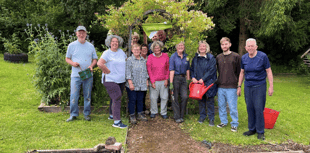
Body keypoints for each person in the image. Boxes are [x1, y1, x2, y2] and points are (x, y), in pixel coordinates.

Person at [237, 38, 274, 140]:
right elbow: (242, 72)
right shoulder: (244, 58)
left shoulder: (262, 57)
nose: (250, 48)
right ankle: (252, 129)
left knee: (258, 108)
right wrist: (239, 86)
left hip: (259, 86)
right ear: (245, 48)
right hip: (248, 86)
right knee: (250, 108)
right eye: (248, 46)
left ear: (256, 47)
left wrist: (271, 86)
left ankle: (260, 131)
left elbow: (269, 71)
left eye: (252, 46)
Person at [65, 26, 98, 122]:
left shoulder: (90, 46)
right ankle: (73, 114)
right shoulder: (71, 45)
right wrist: (73, 63)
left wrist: (91, 66)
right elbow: (67, 58)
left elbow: (95, 59)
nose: (81, 34)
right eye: (79, 32)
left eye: (83, 32)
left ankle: (86, 114)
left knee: (87, 96)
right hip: (76, 75)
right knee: (74, 96)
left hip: (87, 74)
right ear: (76, 34)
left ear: (86, 34)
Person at [97, 35, 128, 129]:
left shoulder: (121, 52)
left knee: (114, 97)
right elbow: (99, 63)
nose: (115, 43)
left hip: (120, 79)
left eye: (117, 42)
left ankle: (111, 114)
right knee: (117, 97)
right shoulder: (107, 53)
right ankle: (117, 122)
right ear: (109, 43)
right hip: (110, 79)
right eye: (113, 41)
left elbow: (125, 61)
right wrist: (107, 70)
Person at [216, 37, 241, 132]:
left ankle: (234, 124)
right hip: (221, 85)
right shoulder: (218, 57)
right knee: (221, 106)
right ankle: (223, 122)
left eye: (226, 44)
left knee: (232, 106)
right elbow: (218, 71)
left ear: (230, 44)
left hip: (232, 86)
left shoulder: (236, 56)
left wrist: (239, 86)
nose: (224, 46)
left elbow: (240, 72)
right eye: (222, 44)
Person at [190, 40, 217, 126]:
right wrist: (193, 77)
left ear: (206, 48)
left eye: (203, 46)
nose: (202, 48)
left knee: (210, 100)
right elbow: (192, 69)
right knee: (200, 100)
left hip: (208, 82)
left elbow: (212, 70)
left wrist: (203, 79)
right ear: (198, 48)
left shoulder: (211, 58)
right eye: (200, 46)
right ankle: (202, 116)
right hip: (198, 83)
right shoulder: (195, 58)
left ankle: (211, 118)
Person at [126, 44, 148, 124]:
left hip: (141, 83)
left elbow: (145, 71)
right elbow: (128, 72)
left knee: (140, 100)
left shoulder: (143, 60)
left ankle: (140, 113)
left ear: (140, 51)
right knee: (132, 100)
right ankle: (132, 115)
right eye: (135, 49)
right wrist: (130, 83)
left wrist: (146, 81)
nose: (136, 51)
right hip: (133, 84)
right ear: (132, 50)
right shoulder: (129, 60)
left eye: (138, 49)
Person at [146, 41, 170, 119]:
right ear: (153, 49)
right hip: (154, 80)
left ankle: (163, 112)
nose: (157, 49)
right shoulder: (150, 57)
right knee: (153, 97)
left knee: (164, 97)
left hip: (163, 80)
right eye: (155, 48)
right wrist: (152, 81)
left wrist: (167, 79)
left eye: (158, 48)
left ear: (161, 48)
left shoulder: (165, 56)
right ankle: (154, 111)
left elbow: (168, 68)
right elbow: (149, 70)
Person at [169, 42, 190, 123]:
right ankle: (177, 116)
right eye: (179, 46)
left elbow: (188, 69)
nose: (181, 47)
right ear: (176, 47)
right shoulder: (173, 57)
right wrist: (171, 83)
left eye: (182, 45)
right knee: (175, 97)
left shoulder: (186, 56)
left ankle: (182, 115)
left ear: (184, 47)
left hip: (183, 79)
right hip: (175, 78)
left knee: (184, 97)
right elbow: (171, 70)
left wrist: (188, 80)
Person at [141, 44, 149, 114]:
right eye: (143, 49)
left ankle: (143, 107)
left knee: (144, 94)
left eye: (145, 49)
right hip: (139, 78)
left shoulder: (149, 58)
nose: (144, 50)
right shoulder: (138, 58)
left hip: (147, 77)